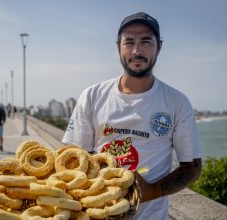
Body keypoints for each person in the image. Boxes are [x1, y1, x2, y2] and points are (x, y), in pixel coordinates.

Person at [61, 12, 202, 219]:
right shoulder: (92, 96)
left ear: (159, 47)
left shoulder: (176, 102)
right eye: (129, 42)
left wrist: (150, 191)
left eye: (146, 41)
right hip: (95, 214)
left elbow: (192, 167)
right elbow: (72, 154)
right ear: (118, 45)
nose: (137, 51)